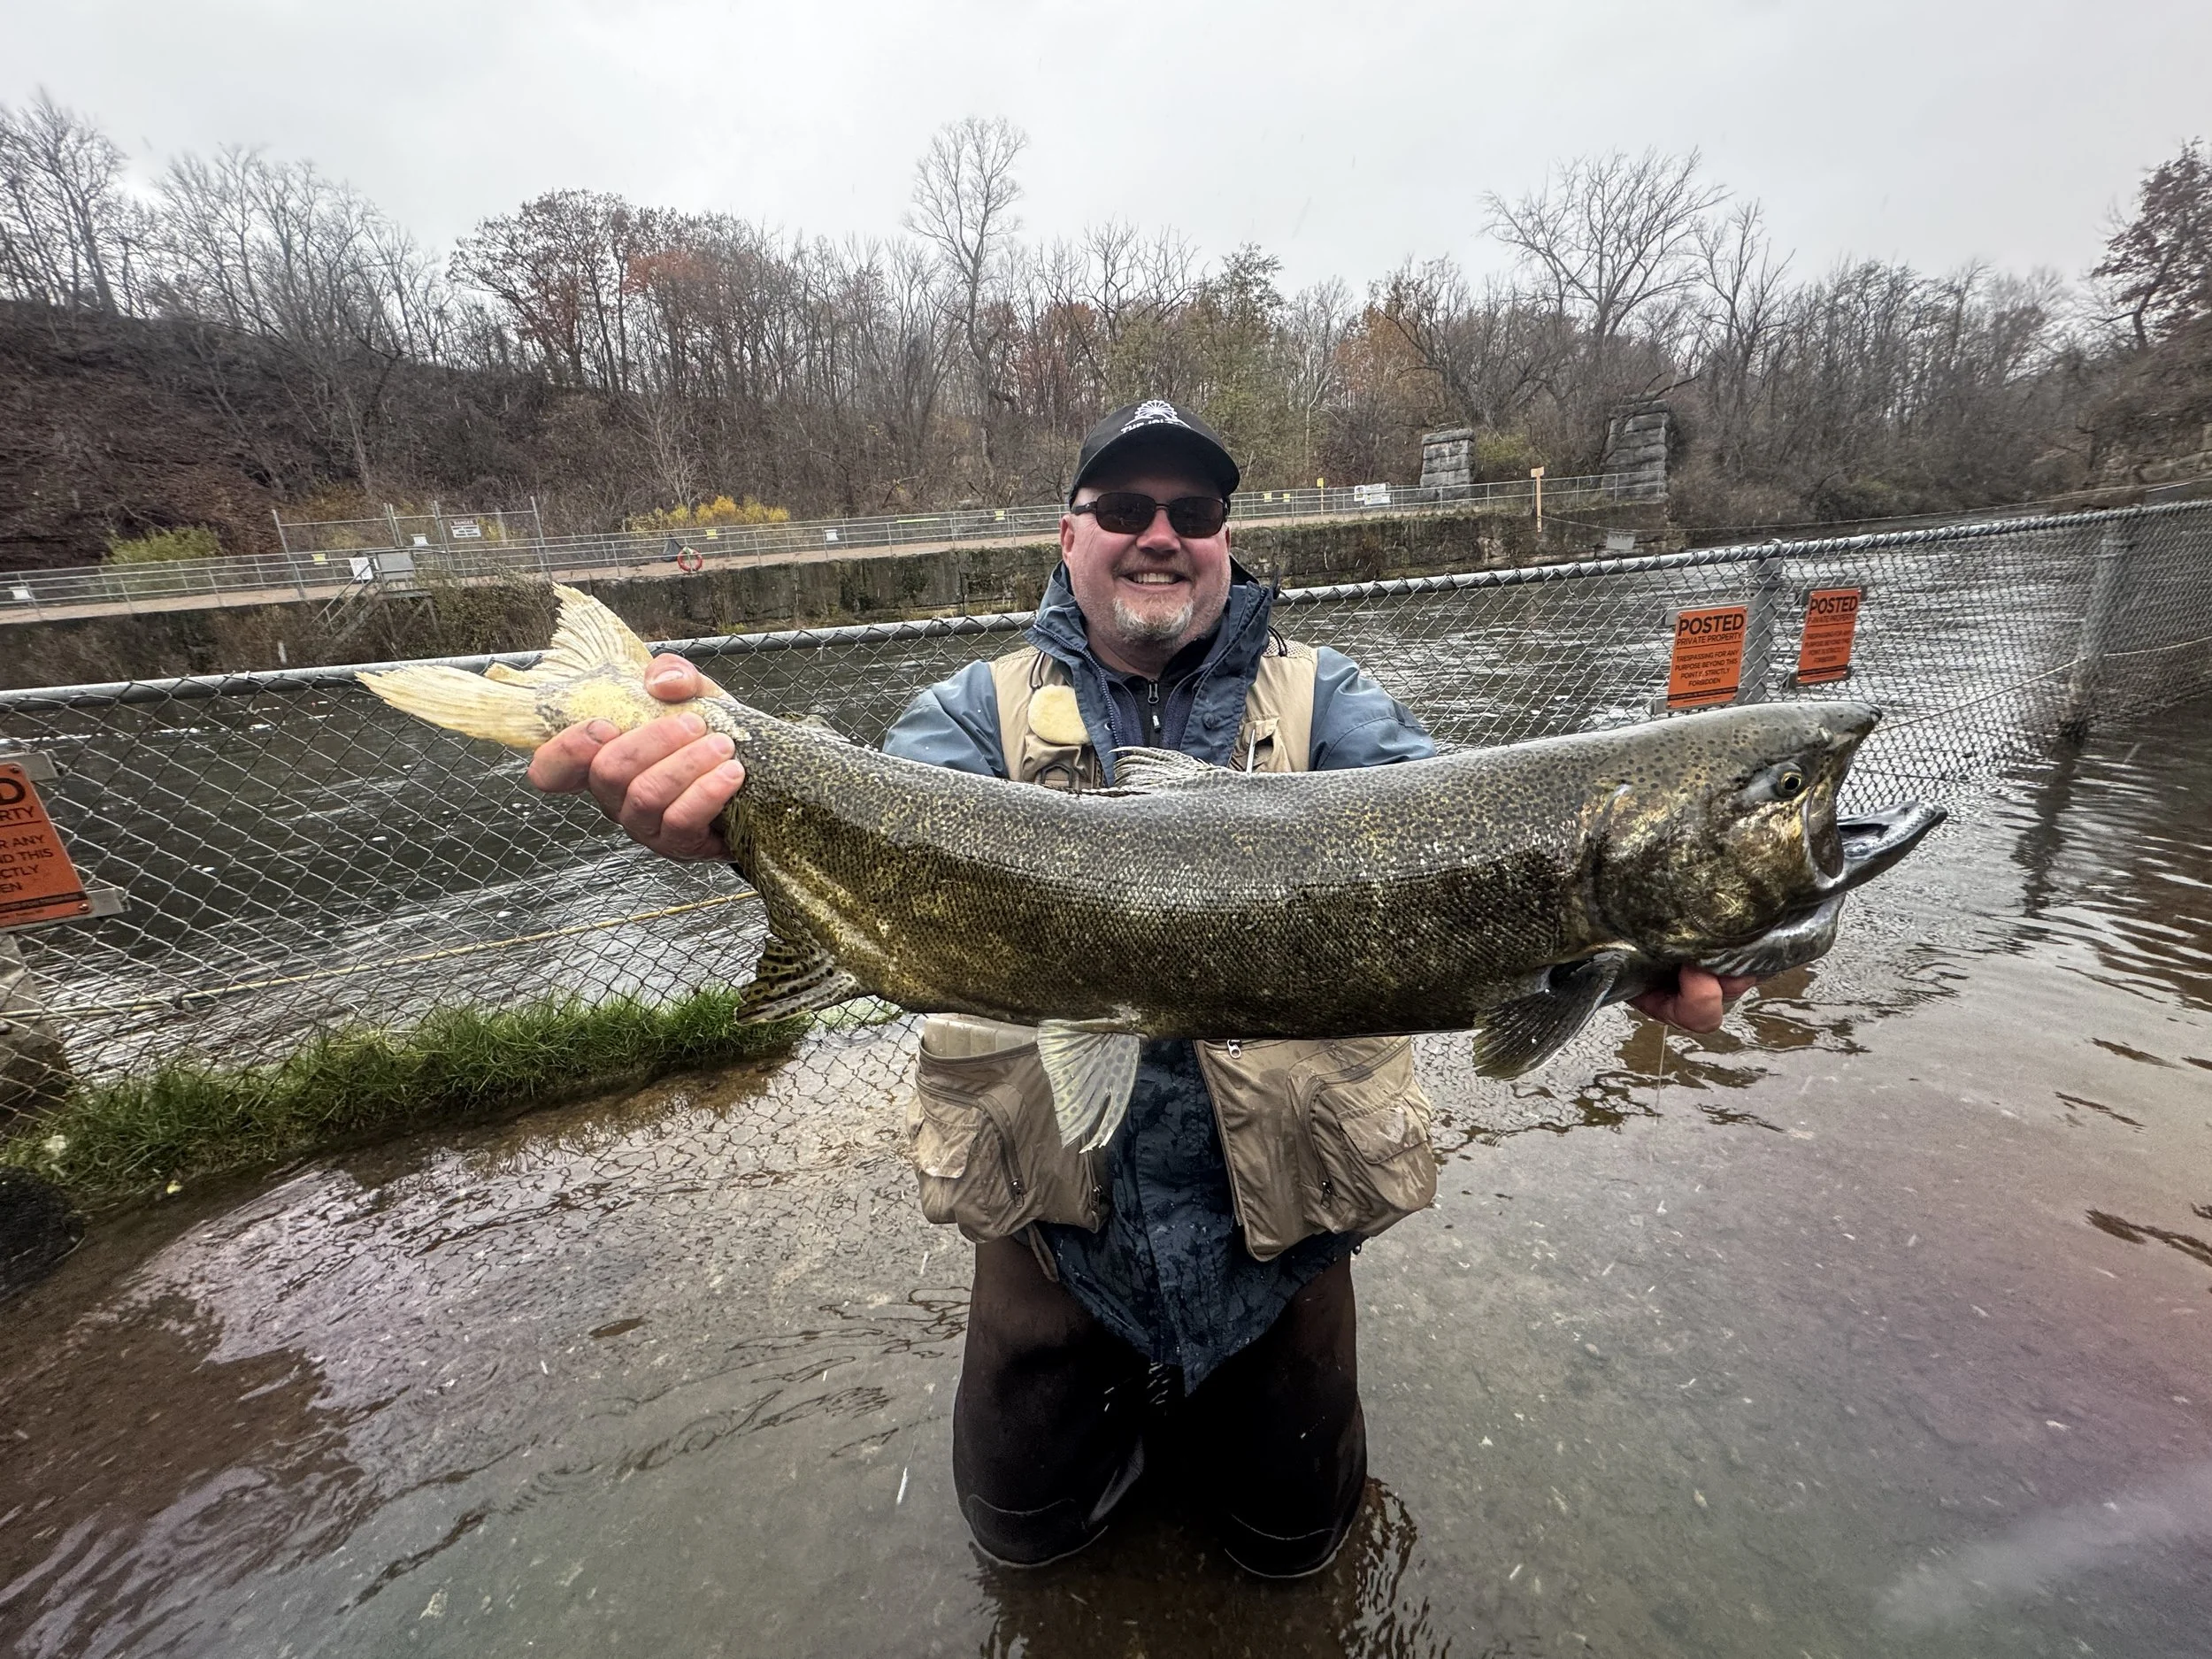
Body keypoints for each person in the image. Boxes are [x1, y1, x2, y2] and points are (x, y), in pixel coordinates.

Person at [525, 400, 1755, 1576]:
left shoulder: (1335, 709)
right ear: (1069, 535)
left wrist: (1701, 937)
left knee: (1295, 1552)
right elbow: (865, 823)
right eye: (1123, 503)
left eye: (1196, 508)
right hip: (1053, 1248)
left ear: (1226, 540)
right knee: (1025, 1542)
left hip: (1281, 1251)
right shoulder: (966, 717)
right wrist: (731, 802)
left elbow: (1492, 851)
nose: (1160, 531)